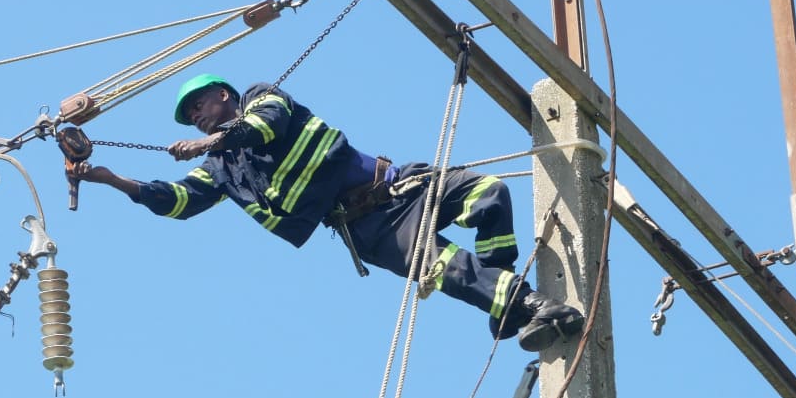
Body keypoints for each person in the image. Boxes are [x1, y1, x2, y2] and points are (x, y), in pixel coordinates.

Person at [74, 74, 585, 351]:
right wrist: (113, 180)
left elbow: (267, 123)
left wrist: (213, 136)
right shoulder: (222, 170)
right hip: (369, 225)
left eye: (200, 106)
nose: (197, 116)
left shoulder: (260, 98)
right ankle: (529, 307)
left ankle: (505, 301)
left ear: (223, 96)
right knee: (444, 267)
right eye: (191, 116)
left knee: (490, 193)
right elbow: (178, 202)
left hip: (398, 182)